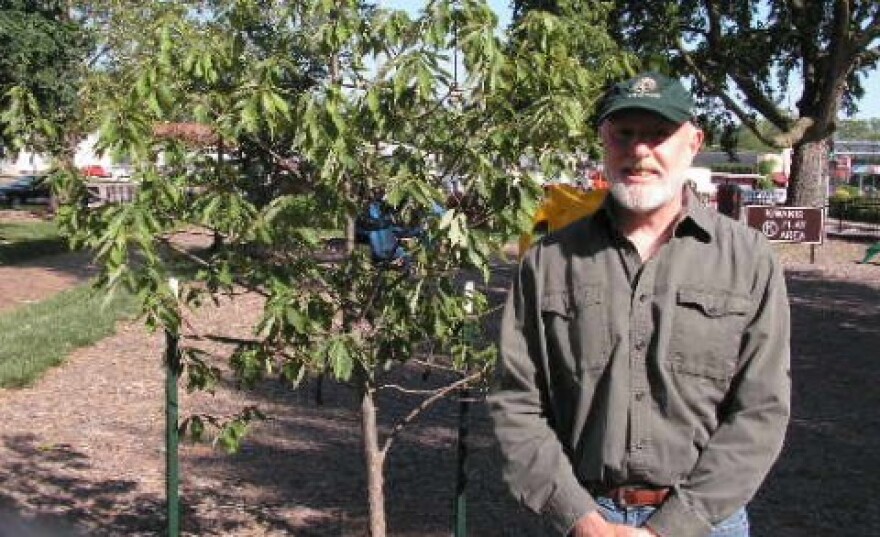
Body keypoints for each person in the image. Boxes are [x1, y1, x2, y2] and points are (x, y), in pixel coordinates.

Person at [488, 72, 790, 537]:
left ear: (693, 142)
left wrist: (673, 526)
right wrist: (580, 518)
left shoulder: (748, 260)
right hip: (582, 517)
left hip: (707, 524)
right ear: (604, 141)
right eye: (624, 133)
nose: (640, 151)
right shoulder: (547, 262)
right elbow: (517, 402)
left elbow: (761, 410)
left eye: (657, 134)